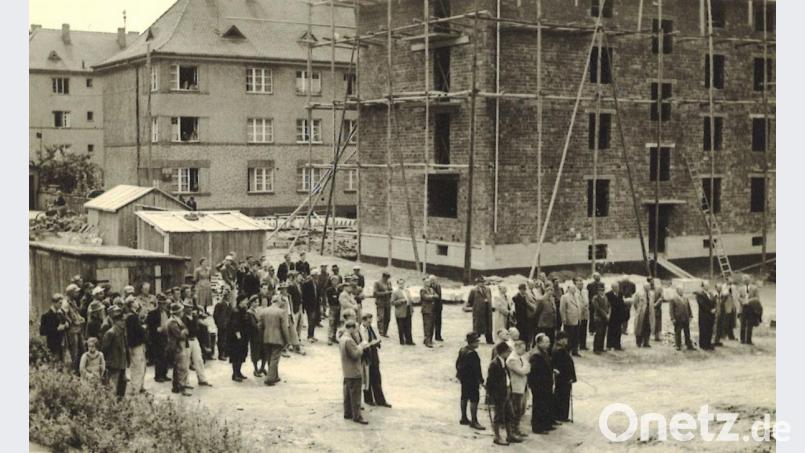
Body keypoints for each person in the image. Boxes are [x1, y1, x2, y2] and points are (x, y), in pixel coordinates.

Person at [487, 342, 523, 446]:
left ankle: (509, 435)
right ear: (503, 352)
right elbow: (490, 382)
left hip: (506, 392)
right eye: (508, 351)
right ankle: (497, 437)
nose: (509, 353)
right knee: (498, 416)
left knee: (509, 414)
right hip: (499, 394)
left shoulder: (503, 362)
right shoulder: (494, 364)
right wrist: (492, 395)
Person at [340, 320, 372, 425]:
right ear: (352, 328)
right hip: (354, 371)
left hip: (347, 371)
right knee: (356, 396)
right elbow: (355, 355)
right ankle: (357, 416)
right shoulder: (349, 340)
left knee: (347, 394)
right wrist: (361, 347)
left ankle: (347, 413)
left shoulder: (342, 339)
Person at [260, 288, 290, 386]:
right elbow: (284, 328)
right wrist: (287, 340)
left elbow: (261, 326)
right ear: (277, 301)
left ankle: (275, 376)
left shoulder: (264, 311)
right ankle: (270, 378)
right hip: (277, 338)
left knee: (270, 358)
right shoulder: (281, 312)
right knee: (275, 359)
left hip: (266, 337)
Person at [360, 313, 391, 408]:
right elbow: (362, 343)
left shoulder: (371, 328)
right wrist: (370, 343)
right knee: (367, 377)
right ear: (363, 321)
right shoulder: (360, 330)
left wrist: (376, 342)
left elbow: (378, 337)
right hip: (365, 354)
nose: (370, 323)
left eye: (371, 321)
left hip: (373, 353)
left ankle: (380, 400)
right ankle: (368, 399)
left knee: (377, 376)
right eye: (368, 322)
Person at [456, 332, 485, 429]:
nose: (478, 343)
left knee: (464, 397)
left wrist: (459, 375)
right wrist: (481, 381)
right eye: (477, 341)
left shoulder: (462, 350)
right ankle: (474, 421)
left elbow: (457, 364)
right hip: (472, 380)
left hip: (464, 379)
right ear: (473, 342)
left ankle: (463, 417)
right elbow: (477, 370)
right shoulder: (473, 354)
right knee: (474, 399)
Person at [528, 333, 556, 434]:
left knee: (545, 404)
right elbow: (534, 372)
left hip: (545, 383)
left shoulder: (543, 352)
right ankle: (538, 427)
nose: (549, 343)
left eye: (548, 341)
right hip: (539, 385)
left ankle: (546, 424)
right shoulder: (536, 355)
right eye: (546, 342)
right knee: (539, 406)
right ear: (539, 343)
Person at [505, 340, 531, 439]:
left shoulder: (520, 357)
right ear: (517, 347)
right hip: (515, 388)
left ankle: (517, 429)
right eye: (523, 349)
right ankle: (513, 430)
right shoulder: (512, 359)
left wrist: (526, 365)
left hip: (522, 386)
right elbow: (523, 371)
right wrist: (527, 365)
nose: (524, 351)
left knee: (520, 410)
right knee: (516, 410)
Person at [102, 306, 128, 399]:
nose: (124, 322)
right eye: (122, 321)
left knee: (122, 385)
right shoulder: (110, 333)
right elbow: (104, 349)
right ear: (116, 321)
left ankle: (120, 404)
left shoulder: (122, 331)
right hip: (113, 364)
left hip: (121, 363)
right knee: (112, 387)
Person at [183, 302, 212, 387]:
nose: (190, 309)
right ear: (184, 308)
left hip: (195, 339)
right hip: (187, 340)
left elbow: (199, 328)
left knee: (199, 360)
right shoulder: (183, 318)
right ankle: (185, 382)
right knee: (186, 361)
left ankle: (202, 379)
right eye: (187, 307)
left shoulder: (195, 317)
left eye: (191, 307)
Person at [167, 302, 191, 396]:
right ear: (178, 312)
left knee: (178, 367)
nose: (182, 312)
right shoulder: (173, 322)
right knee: (181, 367)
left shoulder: (177, 320)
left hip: (179, 345)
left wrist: (184, 331)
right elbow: (180, 334)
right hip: (178, 346)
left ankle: (176, 387)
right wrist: (184, 331)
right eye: (181, 311)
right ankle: (182, 387)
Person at [125, 297, 148, 394]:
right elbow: (136, 331)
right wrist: (143, 328)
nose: (137, 302)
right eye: (134, 301)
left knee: (141, 366)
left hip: (138, 344)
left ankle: (139, 386)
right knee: (137, 367)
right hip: (135, 345)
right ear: (131, 304)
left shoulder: (134, 315)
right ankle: (135, 389)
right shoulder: (131, 316)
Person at [552, 331, 576, 422]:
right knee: (563, 396)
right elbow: (564, 365)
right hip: (564, 377)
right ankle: (561, 415)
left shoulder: (559, 348)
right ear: (561, 340)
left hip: (562, 376)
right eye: (565, 339)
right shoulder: (560, 350)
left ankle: (560, 415)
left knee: (562, 395)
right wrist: (570, 377)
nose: (567, 341)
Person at [146, 295, 170, 382]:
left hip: (166, 336)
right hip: (157, 338)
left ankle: (164, 374)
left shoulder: (167, 312)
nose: (164, 306)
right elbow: (150, 326)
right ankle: (158, 376)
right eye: (162, 304)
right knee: (159, 357)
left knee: (165, 356)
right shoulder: (153, 313)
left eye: (165, 304)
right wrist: (157, 329)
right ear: (158, 304)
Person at [63, 284, 86, 373]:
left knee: (82, 349)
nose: (77, 293)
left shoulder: (73, 302)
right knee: (75, 351)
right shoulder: (65, 303)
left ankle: (80, 369)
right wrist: (70, 321)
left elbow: (76, 312)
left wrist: (80, 318)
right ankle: (75, 371)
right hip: (72, 330)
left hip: (78, 328)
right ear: (71, 292)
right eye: (76, 292)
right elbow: (63, 314)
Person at [39, 294, 69, 361]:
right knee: (54, 361)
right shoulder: (46, 315)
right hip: (53, 343)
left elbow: (66, 322)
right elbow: (42, 331)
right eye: (60, 303)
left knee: (62, 361)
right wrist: (56, 329)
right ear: (54, 303)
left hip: (62, 341)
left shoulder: (61, 313)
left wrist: (67, 325)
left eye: (62, 303)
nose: (61, 305)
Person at [467, 278, 493, 344]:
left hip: (487, 310)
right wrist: (476, 306)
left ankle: (489, 340)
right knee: (477, 326)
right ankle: (475, 339)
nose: (481, 283)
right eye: (480, 282)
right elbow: (470, 300)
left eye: (482, 282)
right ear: (477, 283)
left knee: (488, 325)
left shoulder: (488, 289)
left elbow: (490, 297)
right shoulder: (474, 290)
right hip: (478, 311)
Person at [559, 283, 582, 356]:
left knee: (576, 336)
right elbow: (562, 309)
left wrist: (579, 317)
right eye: (573, 288)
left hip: (577, 319)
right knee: (569, 336)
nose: (574, 290)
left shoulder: (577, 296)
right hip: (569, 319)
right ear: (568, 289)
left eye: (575, 288)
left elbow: (578, 307)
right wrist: (564, 318)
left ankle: (575, 350)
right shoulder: (564, 297)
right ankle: (567, 351)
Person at [391, 279, 415, 345]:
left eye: (403, 283)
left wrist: (411, 309)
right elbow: (392, 302)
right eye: (400, 283)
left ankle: (409, 340)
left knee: (408, 326)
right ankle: (402, 341)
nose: (401, 285)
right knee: (401, 327)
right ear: (398, 284)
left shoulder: (407, 290)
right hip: (400, 312)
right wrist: (401, 301)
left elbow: (410, 300)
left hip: (407, 310)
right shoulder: (395, 292)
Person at [513, 284, 535, 351]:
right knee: (521, 333)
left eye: (524, 289)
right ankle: (520, 347)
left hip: (526, 318)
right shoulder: (516, 297)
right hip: (520, 318)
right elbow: (521, 307)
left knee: (526, 333)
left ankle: (525, 347)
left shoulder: (525, 296)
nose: (524, 291)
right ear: (520, 289)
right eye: (522, 289)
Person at [695, 282, 717, 350]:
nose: (707, 287)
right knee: (703, 330)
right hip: (704, 315)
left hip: (711, 315)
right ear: (703, 286)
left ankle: (708, 343)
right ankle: (703, 345)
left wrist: (714, 308)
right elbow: (702, 304)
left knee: (710, 329)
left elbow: (714, 301)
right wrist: (710, 310)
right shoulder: (699, 294)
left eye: (708, 285)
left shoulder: (711, 293)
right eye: (706, 285)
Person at [534, 284, 557, 349]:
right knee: (544, 339)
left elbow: (554, 310)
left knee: (551, 339)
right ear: (546, 292)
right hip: (544, 324)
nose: (551, 293)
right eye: (550, 291)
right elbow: (537, 312)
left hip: (552, 323)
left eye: (552, 291)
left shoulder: (552, 300)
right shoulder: (541, 300)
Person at [633, 282, 655, 348]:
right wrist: (639, 310)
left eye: (649, 286)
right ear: (644, 287)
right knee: (639, 328)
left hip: (649, 314)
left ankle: (646, 342)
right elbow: (635, 303)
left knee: (648, 328)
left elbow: (652, 303)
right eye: (647, 286)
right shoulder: (639, 293)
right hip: (641, 313)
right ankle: (638, 342)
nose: (649, 288)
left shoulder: (651, 294)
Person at [605, 282, 626, 351]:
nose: (617, 288)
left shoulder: (620, 294)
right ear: (612, 288)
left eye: (618, 287)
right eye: (616, 287)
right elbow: (607, 305)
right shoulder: (608, 294)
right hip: (612, 316)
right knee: (610, 331)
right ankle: (609, 346)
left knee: (618, 331)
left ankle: (617, 346)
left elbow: (622, 303)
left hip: (619, 316)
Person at [213, 288, 232, 360]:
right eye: (226, 295)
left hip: (227, 325)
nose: (227, 297)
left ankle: (226, 352)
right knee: (221, 340)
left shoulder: (229, 304)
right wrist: (218, 323)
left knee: (226, 339)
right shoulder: (220, 304)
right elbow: (215, 315)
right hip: (222, 325)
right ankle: (221, 354)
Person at [373, 272, 393, 338]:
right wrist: (384, 293)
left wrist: (391, 291)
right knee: (381, 317)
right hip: (380, 302)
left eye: (388, 278)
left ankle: (385, 332)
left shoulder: (389, 282)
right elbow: (375, 293)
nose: (387, 279)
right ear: (383, 277)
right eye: (386, 278)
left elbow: (391, 290)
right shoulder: (377, 283)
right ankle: (381, 332)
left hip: (388, 303)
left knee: (388, 318)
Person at [591, 286, 610, 354]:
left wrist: (608, 313)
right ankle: (596, 349)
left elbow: (608, 306)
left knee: (603, 333)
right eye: (600, 290)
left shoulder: (605, 297)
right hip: (598, 318)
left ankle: (601, 347)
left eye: (603, 290)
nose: (601, 292)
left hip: (605, 318)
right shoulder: (595, 298)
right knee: (598, 333)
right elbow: (598, 308)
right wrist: (605, 315)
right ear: (598, 291)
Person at [301, 272, 319, 342]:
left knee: (313, 321)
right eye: (315, 276)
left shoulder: (316, 284)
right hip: (309, 306)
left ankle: (312, 335)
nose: (316, 277)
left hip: (315, 305)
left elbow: (317, 295)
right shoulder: (307, 284)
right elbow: (304, 296)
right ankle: (309, 336)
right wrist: (305, 306)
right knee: (311, 321)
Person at [420, 279, 438, 348]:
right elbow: (425, 297)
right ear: (424, 283)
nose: (428, 283)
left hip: (432, 310)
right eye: (427, 282)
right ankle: (427, 341)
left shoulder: (431, 289)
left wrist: (432, 295)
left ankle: (430, 339)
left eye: (429, 282)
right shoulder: (423, 290)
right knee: (427, 326)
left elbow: (437, 295)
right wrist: (432, 296)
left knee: (432, 326)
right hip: (426, 310)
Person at [326, 276, 342, 345]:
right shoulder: (329, 289)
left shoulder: (339, 290)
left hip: (338, 307)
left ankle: (334, 337)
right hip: (332, 307)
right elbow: (330, 299)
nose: (334, 282)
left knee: (336, 323)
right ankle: (329, 338)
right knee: (331, 323)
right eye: (333, 280)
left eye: (336, 281)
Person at [429, 275, 445, 341]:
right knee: (431, 323)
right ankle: (430, 337)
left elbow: (439, 296)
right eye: (431, 279)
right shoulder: (429, 286)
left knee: (438, 322)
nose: (433, 281)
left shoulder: (438, 286)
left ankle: (438, 336)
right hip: (431, 307)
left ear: (436, 280)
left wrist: (433, 295)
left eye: (434, 279)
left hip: (438, 307)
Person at [737, 275, 752, 344]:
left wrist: (750, 301)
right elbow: (738, 297)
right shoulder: (740, 288)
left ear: (749, 280)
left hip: (751, 308)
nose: (745, 281)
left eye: (746, 279)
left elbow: (757, 297)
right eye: (744, 280)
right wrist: (743, 302)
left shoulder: (754, 288)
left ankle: (748, 340)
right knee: (743, 324)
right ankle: (742, 339)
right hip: (743, 307)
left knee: (750, 324)